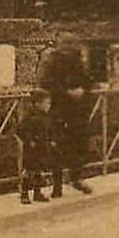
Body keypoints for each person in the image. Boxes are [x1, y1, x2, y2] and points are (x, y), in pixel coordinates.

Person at [40, 46, 94, 197]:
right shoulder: (52, 62)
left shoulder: (78, 62)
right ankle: (57, 186)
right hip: (59, 111)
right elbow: (46, 84)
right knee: (58, 148)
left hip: (78, 112)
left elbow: (89, 81)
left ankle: (76, 178)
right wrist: (67, 92)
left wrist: (83, 91)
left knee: (79, 145)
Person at [17, 88, 52, 204]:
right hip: (32, 148)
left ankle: (37, 193)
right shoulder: (30, 117)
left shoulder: (45, 116)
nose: (48, 106)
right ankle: (24, 193)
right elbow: (20, 130)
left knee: (39, 170)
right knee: (29, 171)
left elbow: (48, 130)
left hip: (42, 146)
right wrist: (29, 140)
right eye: (46, 103)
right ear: (37, 104)